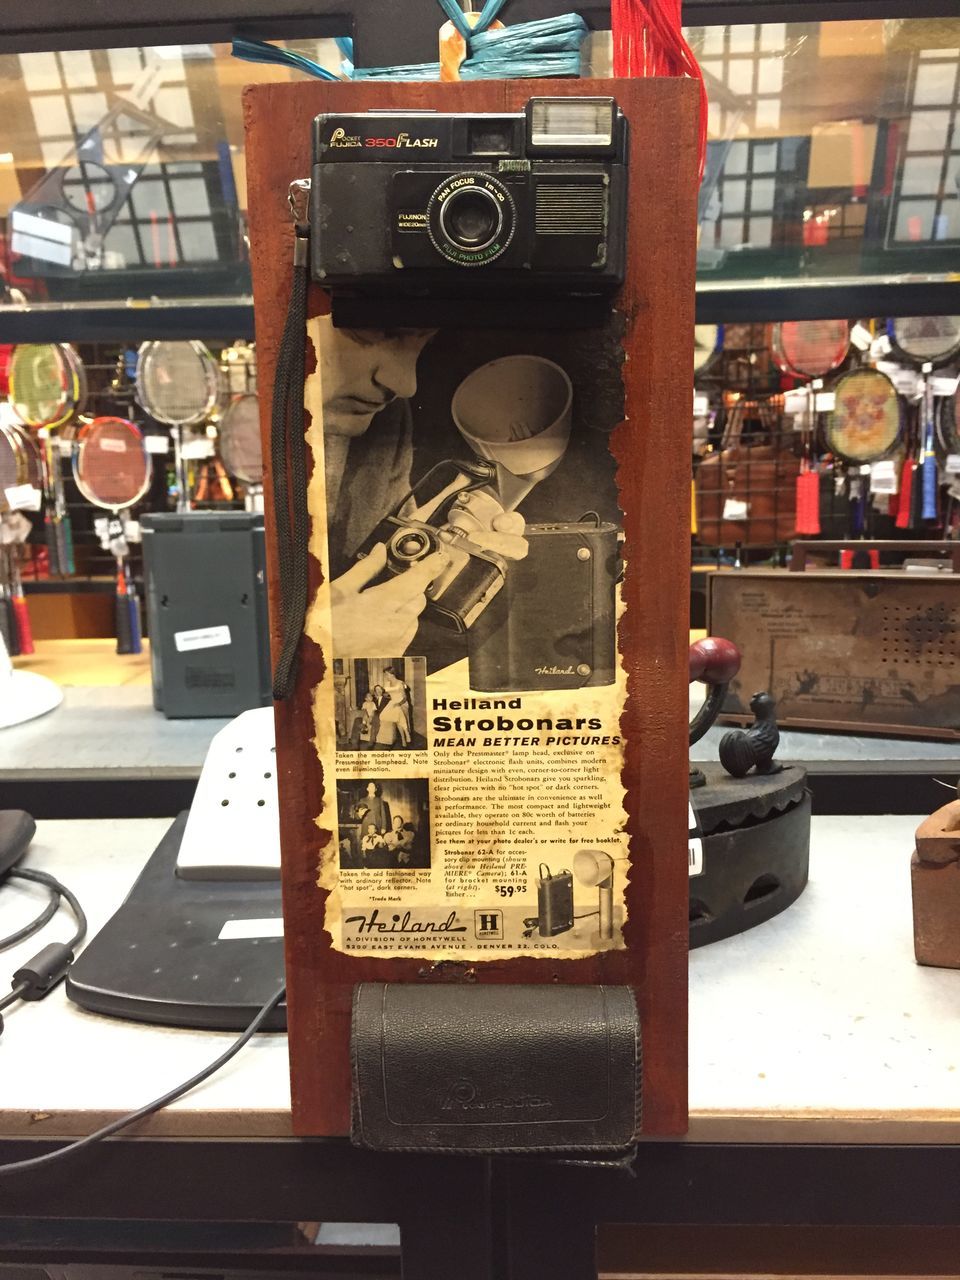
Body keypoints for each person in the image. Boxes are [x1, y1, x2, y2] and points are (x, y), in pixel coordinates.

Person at [315, 318, 527, 657]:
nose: (405, 383)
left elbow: (382, 600)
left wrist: (451, 554)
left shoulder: (386, 421)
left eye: (422, 343)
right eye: (372, 331)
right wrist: (325, 650)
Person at [376, 667, 411, 748]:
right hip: (393, 702)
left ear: (392, 674)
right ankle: (406, 734)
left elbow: (405, 697)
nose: (386, 676)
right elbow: (388, 694)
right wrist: (384, 695)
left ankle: (403, 738)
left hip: (402, 703)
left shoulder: (400, 683)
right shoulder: (387, 684)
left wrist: (399, 703)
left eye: (387, 674)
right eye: (385, 674)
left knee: (398, 716)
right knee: (383, 716)